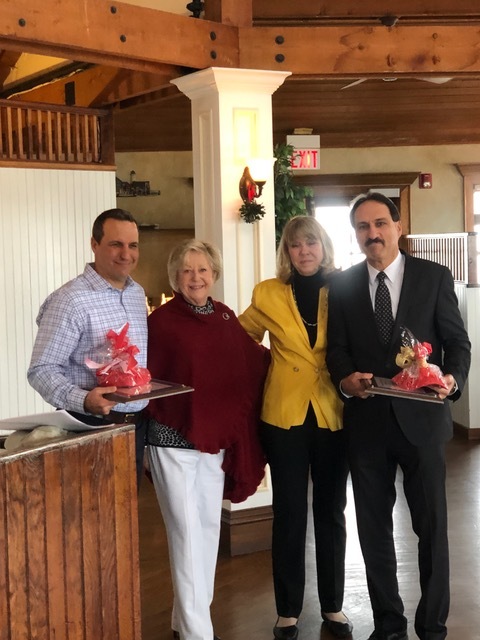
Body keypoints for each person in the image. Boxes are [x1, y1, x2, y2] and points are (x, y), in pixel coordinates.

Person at [326, 192, 471, 640]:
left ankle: (433, 626)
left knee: (431, 528)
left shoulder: (434, 276)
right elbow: (337, 351)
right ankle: (388, 624)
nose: (373, 234)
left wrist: (452, 380)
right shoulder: (344, 284)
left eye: (380, 223)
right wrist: (345, 379)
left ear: (397, 224)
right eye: (363, 227)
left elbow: (457, 343)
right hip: (367, 423)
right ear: (355, 234)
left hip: (422, 423)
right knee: (372, 529)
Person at [145, 238, 269, 640]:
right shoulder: (161, 322)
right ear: (175, 277)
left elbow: (251, 363)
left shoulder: (226, 317)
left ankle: (185, 622)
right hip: (171, 441)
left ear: (213, 274)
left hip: (212, 444)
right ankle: (200, 632)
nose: (195, 277)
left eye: (202, 270)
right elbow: (145, 379)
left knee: (208, 532)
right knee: (185, 534)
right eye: (186, 270)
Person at [238, 216, 353, 640]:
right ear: (286, 252)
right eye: (295, 245)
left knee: (330, 511)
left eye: (311, 243)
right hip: (283, 415)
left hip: (332, 412)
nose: (304, 251)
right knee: (288, 513)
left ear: (324, 246)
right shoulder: (268, 292)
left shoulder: (344, 287)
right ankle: (287, 610)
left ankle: (334, 606)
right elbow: (240, 338)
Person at [27, 208, 148, 486]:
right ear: (94, 244)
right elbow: (41, 370)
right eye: (115, 244)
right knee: (91, 518)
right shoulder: (70, 300)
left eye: (133, 245)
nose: (126, 254)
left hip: (135, 424)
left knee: (126, 516)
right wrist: (83, 400)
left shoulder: (136, 293)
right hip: (87, 426)